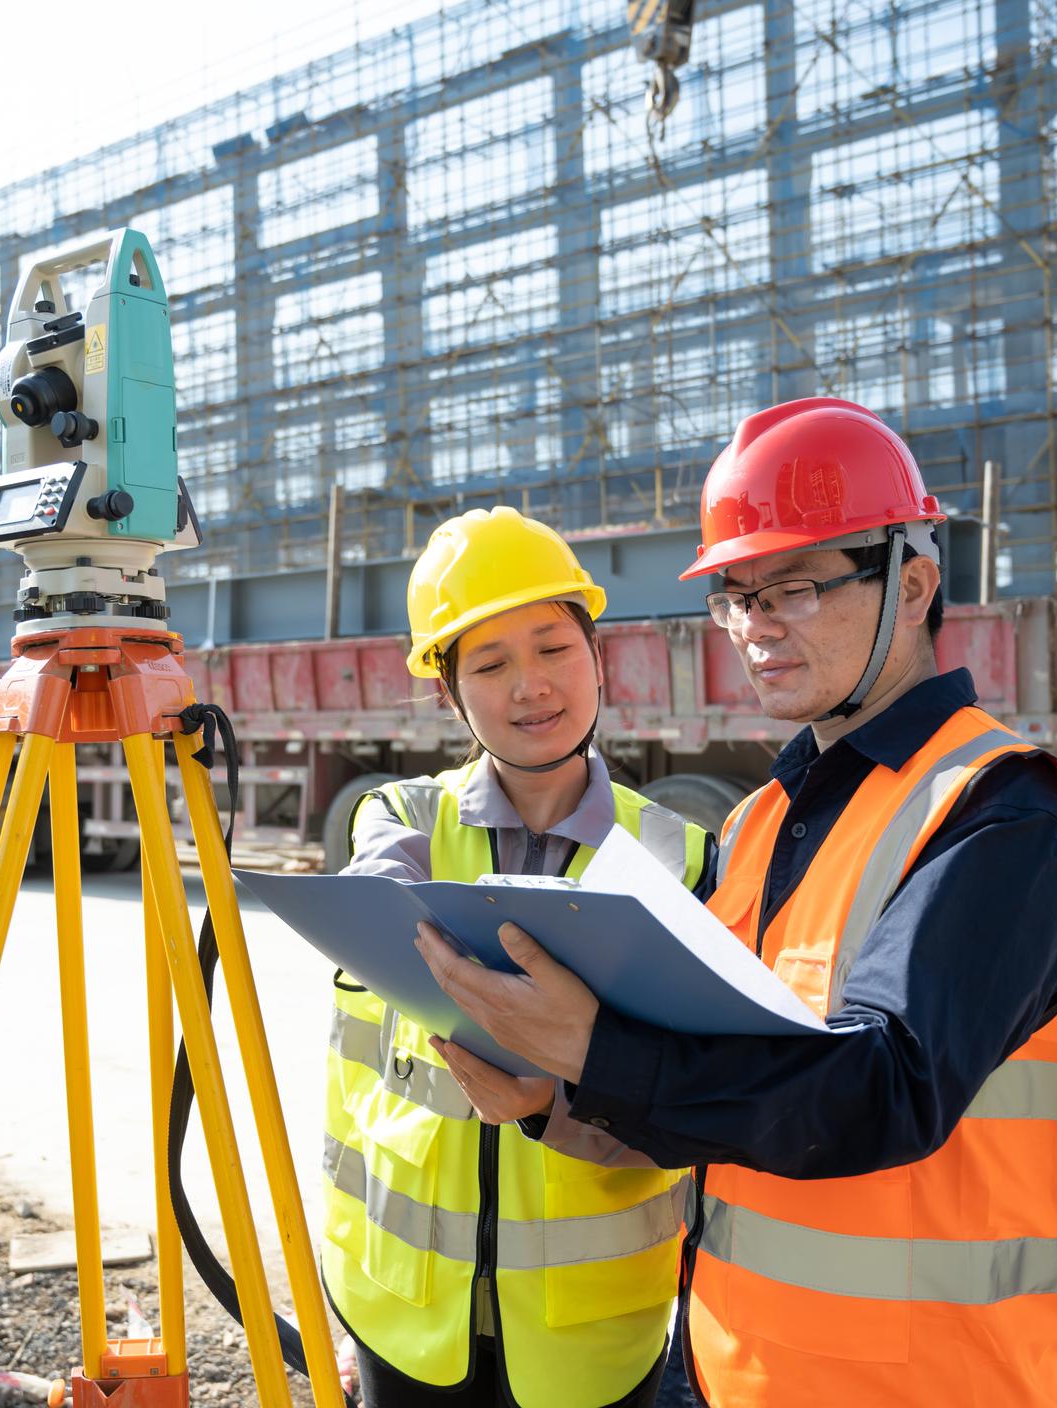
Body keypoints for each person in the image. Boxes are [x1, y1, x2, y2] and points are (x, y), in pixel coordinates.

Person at [415, 398, 1057, 1406]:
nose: (755, 627)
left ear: (913, 583)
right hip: (730, 1364)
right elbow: (718, 1091)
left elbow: (880, 1090)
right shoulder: (760, 821)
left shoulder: (1002, 813)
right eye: (734, 595)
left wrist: (596, 1050)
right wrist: (555, 1096)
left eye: (795, 588)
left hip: (930, 1383)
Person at [322, 505, 712, 1408]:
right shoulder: (403, 822)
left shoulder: (679, 862)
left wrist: (554, 1098)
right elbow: (379, 904)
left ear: (597, 656)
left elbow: (698, 1090)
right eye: (490, 664)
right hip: (405, 1315)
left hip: (594, 1330)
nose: (531, 686)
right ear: (451, 695)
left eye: (553, 648)